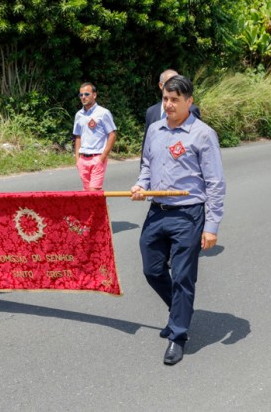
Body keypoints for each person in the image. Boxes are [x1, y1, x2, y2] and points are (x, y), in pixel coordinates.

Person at [131, 75, 226, 365]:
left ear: (189, 101)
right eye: (166, 99)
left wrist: (211, 226)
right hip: (157, 211)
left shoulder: (203, 134)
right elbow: (147, 164)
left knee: (183, 276)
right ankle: (179, 311)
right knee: (152, 269)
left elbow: (215, 183)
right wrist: (141, 185)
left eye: (175, 100)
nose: (169, 104)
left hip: (188, 214)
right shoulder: (155, 129)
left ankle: (178, 335)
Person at [142, 69, 201, 156]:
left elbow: (197, 137)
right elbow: (146, 148)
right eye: (170, 82)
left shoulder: (191, 110)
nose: (174, 84)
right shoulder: (151, 112)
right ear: (161, 85)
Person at [73, 82, 117, 191]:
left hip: (97, 157)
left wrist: (102, 157)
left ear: (94, 95)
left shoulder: (103, 113)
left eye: (86, 94)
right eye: (81, 95)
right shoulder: (79, 115)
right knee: (87, 192)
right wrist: (77, 159)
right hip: (83, 159)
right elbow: (78, 136)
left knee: (94, 191)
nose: (83, 97)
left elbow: (112, 135)